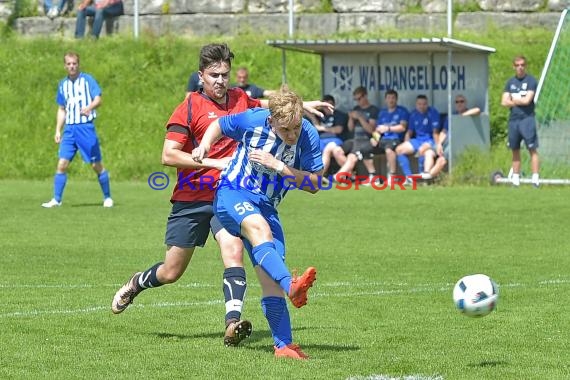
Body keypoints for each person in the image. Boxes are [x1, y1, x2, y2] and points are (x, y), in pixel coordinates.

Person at [111, 43, 332, 347]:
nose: (220, 81)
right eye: (214, 75)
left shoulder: (241, 99)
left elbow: (272, 108)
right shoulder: (189, 107)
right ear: (200, 75)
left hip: (230, 193)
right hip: (193, 195)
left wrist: (304, 104)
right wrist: (213, 160)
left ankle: (232, 323)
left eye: (225, 74)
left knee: (234, 251)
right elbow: (169, 155)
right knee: (171, 271)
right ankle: (137, 283)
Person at [192, 90, 322, 360]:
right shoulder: (253, 120)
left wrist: (280, 167)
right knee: (260, 230)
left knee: (270, 277)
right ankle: (292, 287)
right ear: (271, 120)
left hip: (267, 206)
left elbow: (315, 185)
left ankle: (283, 346)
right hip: (232, 193)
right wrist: (204, 145)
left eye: (296, 127)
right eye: (285, 129)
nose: (292, 134)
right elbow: (219, 125)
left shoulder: (307, 134)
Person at [42, 52, 113, 209]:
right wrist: (57, 130)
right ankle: (56, 199)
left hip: (85, 128)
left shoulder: (87, 80)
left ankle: (107, 197)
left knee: (96, 165)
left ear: (78, 64)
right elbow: (62, 109)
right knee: (62, 164)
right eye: (68, 64)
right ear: (65, 66)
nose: (72, 66)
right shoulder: (63, 84)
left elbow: (98, 99)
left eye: (74, 63)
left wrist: (89, 107)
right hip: (69, 130)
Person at [501, 55, 540, 187]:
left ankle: (535, 179)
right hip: (514, 120)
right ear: (514, 67)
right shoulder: (510, 82)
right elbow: (503, 101)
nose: (520, 68)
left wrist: (513, 100)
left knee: (532, 149)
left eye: (522, 65)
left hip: (527, 119)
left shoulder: (531, 81)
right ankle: (516, 179)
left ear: (526, 66)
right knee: (515, 149)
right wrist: (517, 101)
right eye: (517, 65)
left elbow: (527, 100)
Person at [333, 87, 380, 184]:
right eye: (356, 99)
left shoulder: (373, 110)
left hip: (367, 139)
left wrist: (360, 118)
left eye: (359, 99)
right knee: (337, 151)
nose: (358, 102)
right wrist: (351, 118)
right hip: (355, 139)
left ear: (365, 96)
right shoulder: (356, 109)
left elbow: (371, 130)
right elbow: (350, 128)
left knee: (351, 156)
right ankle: (352, 176)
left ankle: (337, 177)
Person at [427, 94, 481, 179]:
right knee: (429, 152)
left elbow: (477, 110)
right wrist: (439, 144)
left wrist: (461, 117)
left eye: (461, 101)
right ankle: (426, 174)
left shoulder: (469, 113)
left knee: (441, 160)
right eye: (457, 102)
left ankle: (428, 177)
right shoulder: (451, 115)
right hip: (446, 141)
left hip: (458, 143)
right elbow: (444, 131)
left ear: (466, 103)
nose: (459, 104)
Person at [395, 94, 440, 184]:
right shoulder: (413, 114)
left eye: (424, 104)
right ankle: (409, 178)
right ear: (416, 104)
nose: (422, 106)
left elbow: (435, 132)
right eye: (419, 104)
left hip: (429, 140)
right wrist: (406, 141)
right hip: (417, 140)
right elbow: (410, 132)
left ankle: (422, 178)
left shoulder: (433, 113)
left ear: (427, 104)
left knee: (422, 150)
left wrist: (437, 145)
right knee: (399, 150)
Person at [371, 89, 409, 184]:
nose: (391, 100)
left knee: (389, 150)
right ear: (385, 100)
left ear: (396, 99)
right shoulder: (382, 113)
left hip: (395, 139)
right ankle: (373, 176)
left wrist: (388, 129)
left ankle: (392, 175)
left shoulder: (402, 111)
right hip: (382, 139)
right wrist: (374, 138)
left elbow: (403, 127)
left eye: (393, 98)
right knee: (366, 149)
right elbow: (378, 129)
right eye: (389, 98)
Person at [304, 95, 348, 175]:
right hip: (320, 140)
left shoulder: (339, 115)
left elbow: (338, 130)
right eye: (325, 106)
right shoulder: (319, 114)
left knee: (330, 149)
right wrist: (317, 106)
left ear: (333, 105)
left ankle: (319, 175)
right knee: (309, 149)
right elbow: (305, 111)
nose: (327, 108)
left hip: (335, 139)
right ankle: (308, 173)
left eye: (329, 105)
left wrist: (322, 128)